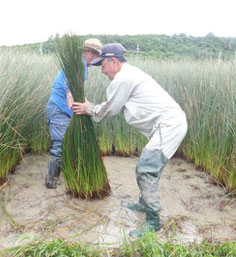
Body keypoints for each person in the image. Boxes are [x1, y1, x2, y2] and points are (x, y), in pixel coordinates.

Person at [72, 43, 187, 237]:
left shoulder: (123, 78)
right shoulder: (129, 74)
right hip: (166, 125)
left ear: (114, 61)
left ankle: (153, 222)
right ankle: (143, 203)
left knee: (145, 169)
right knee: (147, 167)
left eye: (103, 65)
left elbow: (110, 109)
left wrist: (89, 108)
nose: (102, 71)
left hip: (169, 125)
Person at [45, 38, 103, 189]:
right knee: (60, 145)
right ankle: (50, 182)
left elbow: (77, 91)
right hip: (58, 109)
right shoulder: (76, 64)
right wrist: (69, 92)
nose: (98, 62)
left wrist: (88, 106)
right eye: (98, 57)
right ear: (92, 53)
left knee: (67, 143)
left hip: (63, 109)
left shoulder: (81, 64)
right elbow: (67, 80)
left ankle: (66, 174)